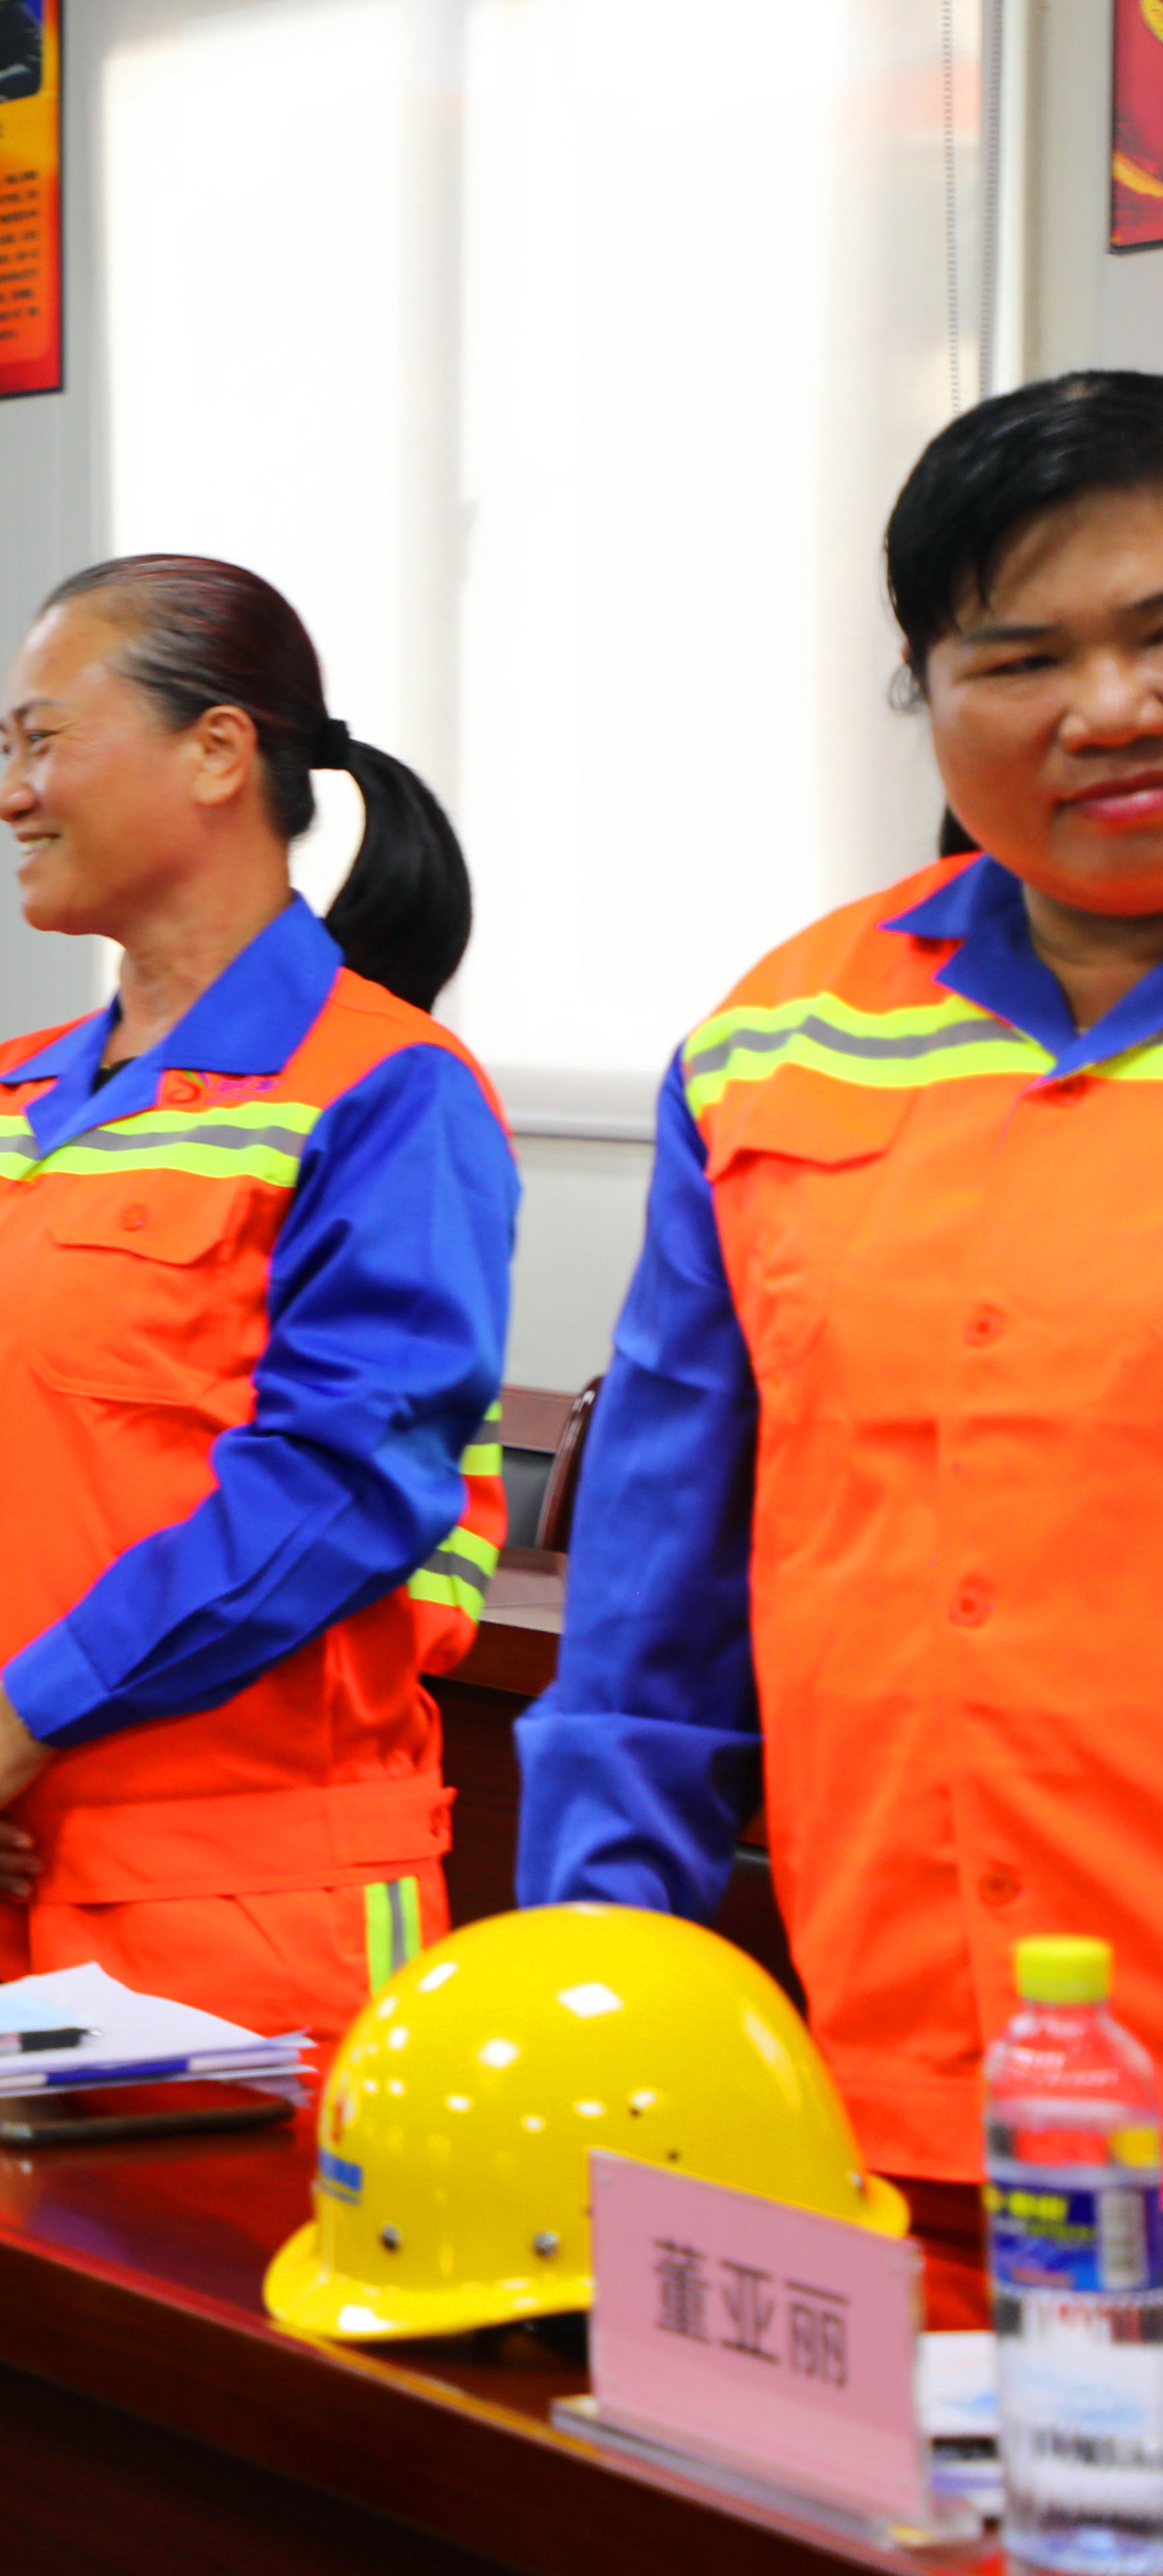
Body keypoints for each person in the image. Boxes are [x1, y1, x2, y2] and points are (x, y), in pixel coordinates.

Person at [522, 370, 1163, 2190]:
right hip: (892, 2084)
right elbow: (652, 1610)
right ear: (925, 693)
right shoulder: (779, 1044)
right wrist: (599, 2001)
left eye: (1158, 637)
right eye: (1021, 658)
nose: (1111, 708)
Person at [0, 557, 512, 2050]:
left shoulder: (385, 1088)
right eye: (3, 749)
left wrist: (21, 1714)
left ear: (217, 752)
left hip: (251, 1914)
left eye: (43, 740)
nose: (10, 794)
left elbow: (337, 1486)